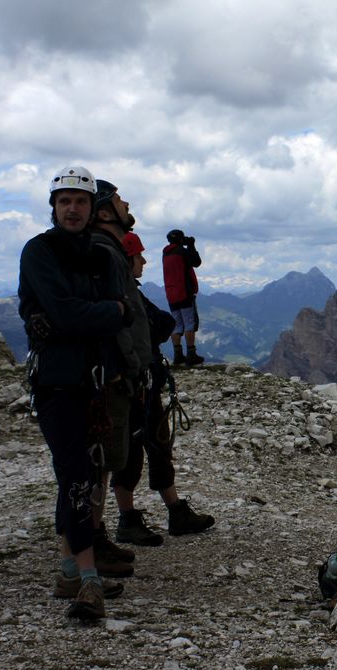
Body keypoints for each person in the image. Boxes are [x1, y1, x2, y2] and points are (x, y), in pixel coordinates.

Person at [17, 165, 129, 620]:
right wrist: (101, 311)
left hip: (94, 380)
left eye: (80, 201)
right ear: (54, 207)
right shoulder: (39, 252)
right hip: (57, 382)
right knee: (77, 478)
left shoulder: (100, 256)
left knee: (82, 474)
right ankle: (87, 581)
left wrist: (91, 314)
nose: (72, 208)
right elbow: (69, 314)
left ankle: (68, 570)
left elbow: (116, 312)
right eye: (65, 201)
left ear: (91, 208)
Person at [112, 232, 216, 546]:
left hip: (145, 380)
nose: (144, 261)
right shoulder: (124, 295)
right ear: (127, 259)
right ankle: (129, 519)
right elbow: (155, 325)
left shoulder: (132, 289)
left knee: (155, 446)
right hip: (134, 383)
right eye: (139, 257)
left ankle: (174, 511)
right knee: (134, 451)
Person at [87, 178, 152, 579]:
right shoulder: (103, 252)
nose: (127, 203)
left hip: (117, 372)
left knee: (105, 462)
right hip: (110, 375)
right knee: (97, 465)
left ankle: (95, 540)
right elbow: (114, 316)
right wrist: (128, 366)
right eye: (119, 199)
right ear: (106, 210)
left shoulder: (107, 249)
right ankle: (87, 547)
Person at [162, 229, 204, 366]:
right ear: (181, 239)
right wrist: (191, 245)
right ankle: (191, 354)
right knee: (189, 323)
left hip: (171, 294)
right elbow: (196, 262)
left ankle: (178, 355)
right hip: (184, 292)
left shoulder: (165, 253)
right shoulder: (182, 252)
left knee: (177, 324)